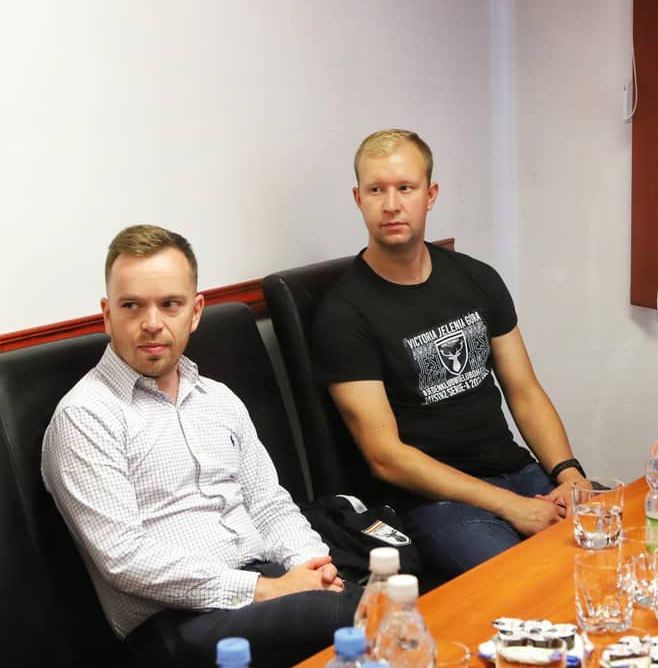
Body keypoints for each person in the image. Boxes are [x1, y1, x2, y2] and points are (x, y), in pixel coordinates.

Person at [41, 225, 357, 668]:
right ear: (107, 315)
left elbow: (269, 506)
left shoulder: (219, 399)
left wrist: (314, 569)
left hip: (268, 585)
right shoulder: (85, 416)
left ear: (195, 312)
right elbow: (124, 559)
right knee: (363, 617)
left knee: (381, 604)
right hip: (175, 621)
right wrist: (265, 590)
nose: (152, 323)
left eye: (170, 304)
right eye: (132, 306)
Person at [312, 128, 585, 581]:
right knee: (532, 580)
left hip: (517, 471)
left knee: (608, 552)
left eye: (406, 188)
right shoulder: (343, 314)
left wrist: (567, 473)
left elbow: (524, 390)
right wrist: (510, 506)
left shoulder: (477, 279)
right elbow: (386, 456)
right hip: (433, 502)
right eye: (376, 190)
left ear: (430, 194)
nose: (391, 204)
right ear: (358, 199)